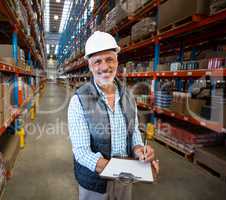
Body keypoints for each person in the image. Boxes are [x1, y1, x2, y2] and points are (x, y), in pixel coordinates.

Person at [68, 31, 159, 200]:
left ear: (117, 61)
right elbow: (81, 152)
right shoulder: (79, 100)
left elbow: (134, 134)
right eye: (97, 61)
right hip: (95, 183)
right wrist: (118, 169)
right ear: (90, 65)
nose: (104, 67)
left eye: (109, 59)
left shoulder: (128, 96)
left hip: (125, 179)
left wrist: (140, 151)